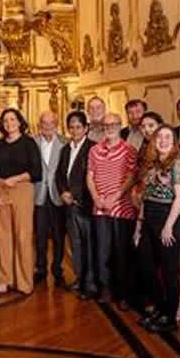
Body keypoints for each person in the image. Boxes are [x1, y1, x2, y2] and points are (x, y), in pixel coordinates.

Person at [134, 126, 180, 333]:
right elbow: (145, 198)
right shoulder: (151, 164)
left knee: (169, 271)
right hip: (149, 217)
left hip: (169, 219)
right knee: (146, 266)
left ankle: (170, 317)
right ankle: (160, 307)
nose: (163, 141)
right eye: (159, 137)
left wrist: (168, 227)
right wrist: (139, 225)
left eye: (168, 137)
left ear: (174, 142)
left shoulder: (178, 164)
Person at [0, 108, 42, 295]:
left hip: (22, 190)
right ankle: (5, 278)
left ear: (19, 122)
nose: (9, 123)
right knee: (3, 237)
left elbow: (36, 172)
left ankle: (24, 281)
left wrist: (15, 179)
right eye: (5, 120)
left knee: (23, 236)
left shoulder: (29, 143)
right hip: (1, 191)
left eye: (12, 119)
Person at [87, 112, 138, 308]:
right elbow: (90, 176)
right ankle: (105, 288)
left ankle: (123, 292)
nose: (109, 128)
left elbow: (131, 177)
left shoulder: (129, 149)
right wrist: (96, 198)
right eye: (106, 125)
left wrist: (114, 198)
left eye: (113, 125)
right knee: (102, 250)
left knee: (121, 251)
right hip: (100, 207)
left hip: (122, 208)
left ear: (120, 126)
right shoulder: (94, 150)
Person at [55, 111, 97, 299]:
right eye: (71, 127)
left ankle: (90, 283)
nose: (75, 130)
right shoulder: (65, 149)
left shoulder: (93, 148)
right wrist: (63, 192)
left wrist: (75, 194)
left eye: (78, 127)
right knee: (76, 244)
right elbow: (59, 175)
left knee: (89, 245)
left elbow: (92, 176)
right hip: (69, 205)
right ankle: (80, 278)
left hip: (85, 204)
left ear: (86, 128)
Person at [33, 111, 67, 286]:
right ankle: (40, 269)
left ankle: (57, 271)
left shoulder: (65, 143)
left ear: (56, 124)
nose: (47, 126)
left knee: (59, 237)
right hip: (38, 195)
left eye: (51, 123)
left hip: (57, 196)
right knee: (39, 236)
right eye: (44, 123)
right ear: (39, 125)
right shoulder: (32, 142)